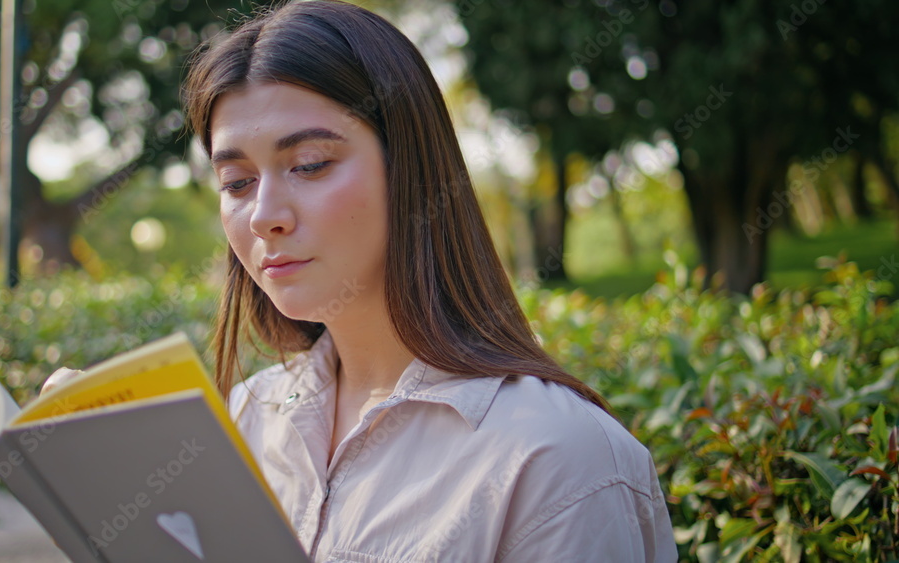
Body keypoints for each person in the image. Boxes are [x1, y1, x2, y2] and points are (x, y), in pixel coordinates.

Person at [46, 1, 677, 561]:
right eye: (237, 182)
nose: (264, 214)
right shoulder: (250, 416)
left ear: (411, 169)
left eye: (310, 164)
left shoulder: (557, 461)